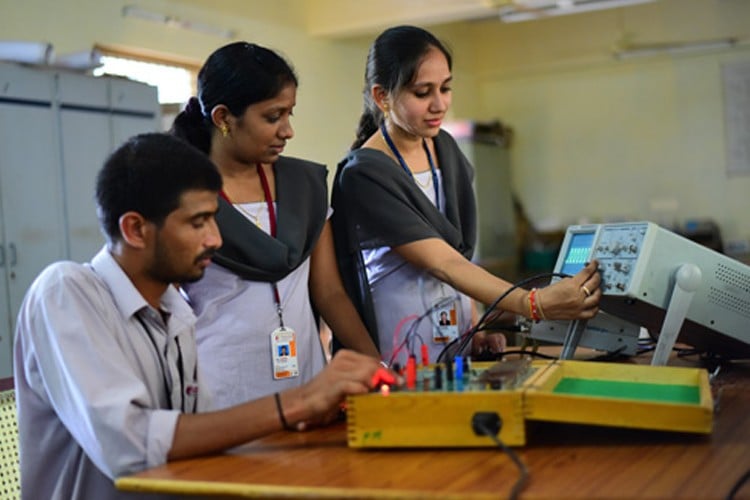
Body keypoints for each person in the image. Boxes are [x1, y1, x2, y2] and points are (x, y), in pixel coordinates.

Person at [13, 133, 387, 500]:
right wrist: (298, 402)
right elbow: (131, 445)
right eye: (198, 222)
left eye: (214, 220)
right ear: (135, 229)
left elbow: (199, 440)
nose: (215, 239)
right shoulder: (65, 292)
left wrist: (314, 418)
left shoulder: (174, 311)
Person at [331, 25, 601, 366]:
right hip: (400, 347)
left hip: (454, 340)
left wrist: (474, 328)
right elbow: (442, 263)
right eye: (422, 92)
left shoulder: (445, 150)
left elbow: (458, 254)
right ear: (383, 97)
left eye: (445, 88)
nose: (439, 104)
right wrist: (533, 303)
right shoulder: (365, 173)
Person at [170, 42, 380, 410]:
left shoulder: (303, 186)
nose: (288, 131)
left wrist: (374, 365)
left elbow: (329, 293)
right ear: (223, 118)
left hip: (307, 384)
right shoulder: (185, 197)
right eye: (273, 117)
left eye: (289, 114)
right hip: (221, 389)